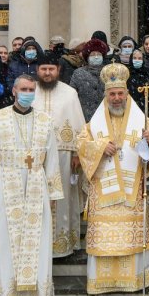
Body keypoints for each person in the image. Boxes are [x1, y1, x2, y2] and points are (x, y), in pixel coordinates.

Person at [0, 74, 63, 296]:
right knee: (7, 244)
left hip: (36, 186)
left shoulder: (45, 121)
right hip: (6, 185)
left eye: (31, 89)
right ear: (13, 91)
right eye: (23, 89)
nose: (27, 93)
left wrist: (52, 193)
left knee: (37, 244)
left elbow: (52, 158)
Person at [77, 63, 149, 295]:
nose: (116, 98)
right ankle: (102, 282)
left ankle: (133, 280)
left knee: (130, 236)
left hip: (132, 193)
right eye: (112, 94)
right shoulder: (93, 125)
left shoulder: (142, 122)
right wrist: (99, 147)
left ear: (127, 94)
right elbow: (81, 144)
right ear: (105, 95)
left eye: (120, 93)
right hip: (102, 194)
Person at [32, 51, 87, 258]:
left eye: (51, 69)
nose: (47, 73)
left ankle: (64, 245)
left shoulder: (69, 93)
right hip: (36, 157)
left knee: (64, 199)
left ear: (58, 70)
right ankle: (39, 245)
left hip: (64, 155)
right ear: (37, 70)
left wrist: (77, 154)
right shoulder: (30, 90)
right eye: (43, 69)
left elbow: (78, 125)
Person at [70, 39, 108, 123]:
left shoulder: (108, 72)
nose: (96, 57)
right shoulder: (78, 73)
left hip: (105, 117)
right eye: (93, 54)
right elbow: (72, 94)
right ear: (87, 56)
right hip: (83, 117)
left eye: (99, 54)